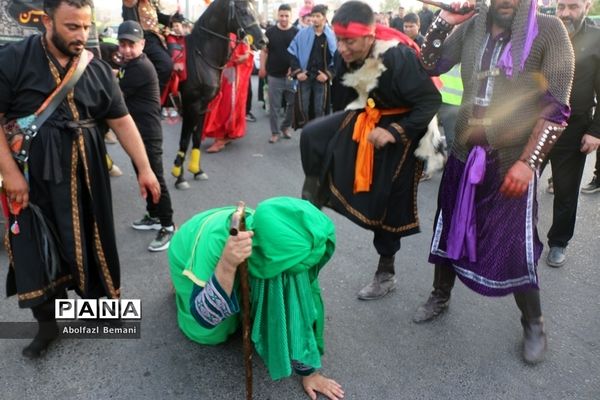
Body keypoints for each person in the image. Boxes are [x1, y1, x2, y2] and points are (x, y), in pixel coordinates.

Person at [412, 0, 574, 364]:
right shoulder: (473, 26)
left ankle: (533, 321)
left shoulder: (549, 31)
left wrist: (528, 163)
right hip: (463, 151)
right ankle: (441, 294)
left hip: (510, 158)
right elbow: (429, 63)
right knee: (449, 222)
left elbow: (557, 107)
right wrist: (444, 21)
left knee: (515, 241)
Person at [0, 0, 160, 358]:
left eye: (86, 27)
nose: (82, 35)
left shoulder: (97, 67)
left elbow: (121, 120)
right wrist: (10, 174)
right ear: (47, 21)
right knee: (36, 250)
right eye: (72, 27)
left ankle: (99, 310)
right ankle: (48, 328)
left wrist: (144, 167)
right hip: (31, 176)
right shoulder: (13, 59)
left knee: (95, 240)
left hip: (88, 173)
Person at [300, 1, 441, 301]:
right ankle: (311, 207)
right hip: (367, 114)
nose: (343, 48)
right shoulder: (345, 54)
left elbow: (430, 102)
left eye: (349, 41)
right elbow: (346, 94)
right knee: (313, 135)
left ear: (369, 36)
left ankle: (386, 273)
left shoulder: (398, 56)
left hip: (405, 127)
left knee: (386, 203)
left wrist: (393, 132)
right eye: (339, 40)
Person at [168, 197, 344, 400]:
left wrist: (310, 373)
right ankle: (180, 283)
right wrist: (226, 264)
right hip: (192, 248)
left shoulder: (289, 247)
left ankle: (238, 292)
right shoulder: (215, 245)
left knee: (264, 301)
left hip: (252, 256)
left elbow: (305, 304)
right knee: (212, 334)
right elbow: (204, 317)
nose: (303, 274)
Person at [543, 0, 600, 267]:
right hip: (535, 127)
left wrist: (595, 131)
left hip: (573, 130)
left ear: (587, 6)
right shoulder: (544, 30)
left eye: (573, 6)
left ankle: (558, 242)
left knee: (566, 192)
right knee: (522, 185)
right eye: (561, 6)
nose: (565, 12)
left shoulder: (598, 38)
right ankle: (521, 238)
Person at [117, 20, 175, 252]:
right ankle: (153, 215)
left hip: (147, 133)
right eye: (123, 44)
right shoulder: (131, 64)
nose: (127, 49)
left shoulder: (140, 67)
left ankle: (168, 225)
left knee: (155, 177)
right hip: (137, 134)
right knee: (143, 173)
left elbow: (115, 93)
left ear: (142, 44)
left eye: (132, 44)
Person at [202, 34, 254, 153]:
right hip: (218, 72)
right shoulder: (218, 31)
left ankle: (222, 137)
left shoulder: (241, 33)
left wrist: (245, 56)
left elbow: (248, 52)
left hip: (233, 75)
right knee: (218, 104)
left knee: (227, 104)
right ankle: (223, 135)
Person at [288, 4, 336, 128]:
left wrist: (327, 74)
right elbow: (292, 53)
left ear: (324, 18)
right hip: (305, 76)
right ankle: (306, 134)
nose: (314, 19)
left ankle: (318, 135)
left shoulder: (331, 36)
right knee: (303, 107)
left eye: (317, 16)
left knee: (319, 109)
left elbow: (337, 58)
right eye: (313, 16)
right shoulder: (302, 34)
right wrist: (298, 72)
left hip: (321, 78)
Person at [259, 4, 298, 144]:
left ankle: (285, 127)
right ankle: (275, 133)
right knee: (274, 107)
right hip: (274, 75)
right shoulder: (269, 32)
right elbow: (264, 51)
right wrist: (262, 67)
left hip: (291, 76)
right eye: (281, 15)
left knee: (293, 104)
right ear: (277, 15)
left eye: (287, 16)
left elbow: (300, 53)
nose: (284, 18)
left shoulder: (296, 32)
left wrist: (295, 68)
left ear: (291, 16)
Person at [122, 0, 173, 97]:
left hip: (157, 37)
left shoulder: (149, 2)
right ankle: (154, 97)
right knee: (165, 65)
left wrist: (171, 19)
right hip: (143, 38)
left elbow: (154, 17)